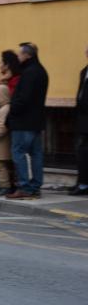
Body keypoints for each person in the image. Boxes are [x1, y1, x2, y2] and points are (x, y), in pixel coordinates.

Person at [6, 43, 49, 200]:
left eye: (20, 54)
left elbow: (23, 99)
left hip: (23, 121)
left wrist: (12, 112)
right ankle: (36, 186)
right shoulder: (41, 71)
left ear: (27, 55)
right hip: (36, 121)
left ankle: (24, 187)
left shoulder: (30, 73)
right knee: (36, 153)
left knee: (18, 153)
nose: (18, 57)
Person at [70, 46, 88, 196]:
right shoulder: (84, 71)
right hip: (82, 119)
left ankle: (84, 184)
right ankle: (82, 183)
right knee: (81, 152)